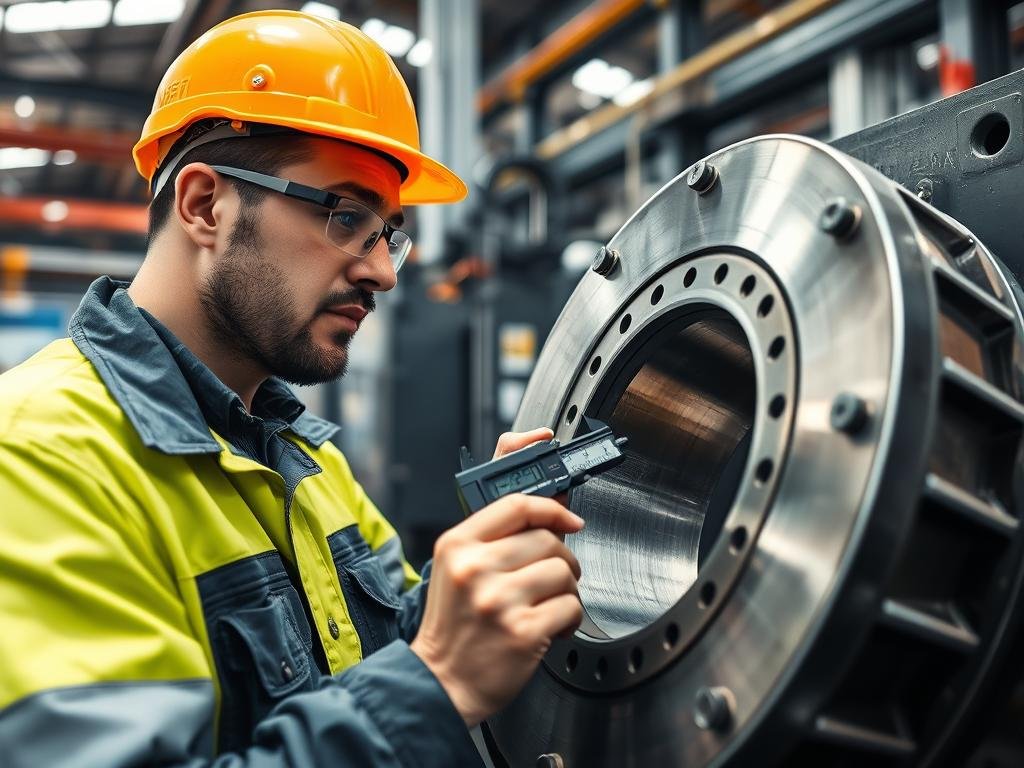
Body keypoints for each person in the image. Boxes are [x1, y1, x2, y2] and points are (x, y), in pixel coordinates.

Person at [0, 10, 584, 766]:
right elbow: (424, 679)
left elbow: (396, 650)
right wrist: (435, 682)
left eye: (388, 232)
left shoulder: (306, 461)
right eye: (345, 215)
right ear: (206, 205)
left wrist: (483, 576)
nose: (381, 270)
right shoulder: (38, 460)